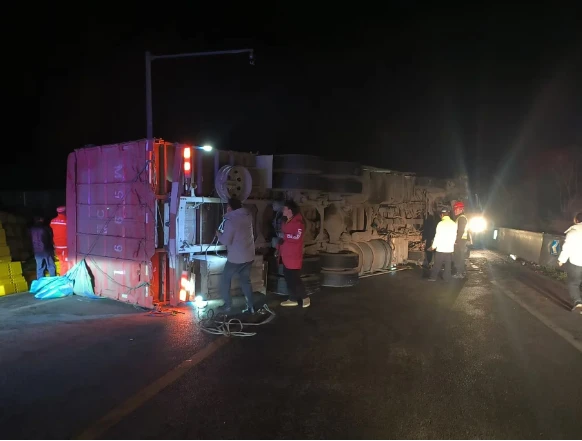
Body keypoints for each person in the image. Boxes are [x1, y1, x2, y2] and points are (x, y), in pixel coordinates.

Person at [216, 197, 256, 314]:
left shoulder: (231, 221)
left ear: (229, 208)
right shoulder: (248, 216)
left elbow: (225, 241)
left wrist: (218, 234)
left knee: (225, 280)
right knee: (245, 281)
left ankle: (228, 305)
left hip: (236, 258)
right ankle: (251, 307)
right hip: (249, 255)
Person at [277, 200, 310, 308]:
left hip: (293, 255)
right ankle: (293, 298)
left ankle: (305, 297)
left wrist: (284, 236)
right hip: (286, 254)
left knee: (295, 278)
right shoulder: (285, 221)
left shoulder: (298, 223)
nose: (283, 210)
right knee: (289, 278)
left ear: (290, 210)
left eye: (285, 208)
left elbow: (297, 237)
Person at [558, 211, 582, 314]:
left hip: (576, 262)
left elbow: (567, 248)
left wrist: (561, 260)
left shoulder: (573, 232)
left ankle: (578, 303)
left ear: (576, 220)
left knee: (574, 283)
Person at [427, 208, 457, 282]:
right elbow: (454, 236)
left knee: (437, 264)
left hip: (441, 248)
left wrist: (433, 246)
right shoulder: (454, 224)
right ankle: (447, 277)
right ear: (448, 214)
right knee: (448, 264)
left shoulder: (440, 224)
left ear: (442, 215)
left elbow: (437, 236)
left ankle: (433, 277)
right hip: (449, 249)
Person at [452, 201, 469, 279]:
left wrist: (456, 240)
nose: (455, 211)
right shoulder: (460, 218)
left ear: (461, 209)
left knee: (459, 257)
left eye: (456, 209)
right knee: (459, 257)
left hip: (460, 241)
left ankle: (460, 273)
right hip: (461, 240)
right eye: (455, 209)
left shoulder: (461, 218)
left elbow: (460, 231)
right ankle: (461, 272)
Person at [50, 206, 68, 274]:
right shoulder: (67, 221)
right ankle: (63, 278)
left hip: (57, 246)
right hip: (64, 246)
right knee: (65, 264)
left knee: (61, 263)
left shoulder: (52, 221)